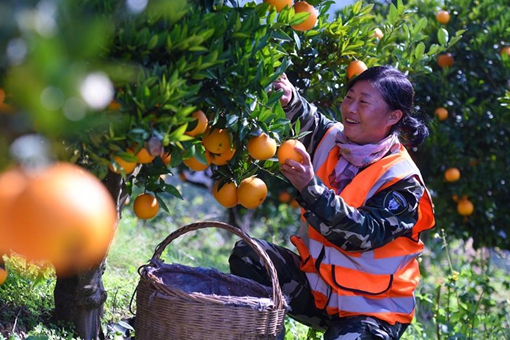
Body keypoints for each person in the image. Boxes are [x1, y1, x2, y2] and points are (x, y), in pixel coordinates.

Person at [229, 66, 436, 340]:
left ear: (393, 116)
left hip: (372, 308)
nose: (350, 108)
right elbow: (308, 119)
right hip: (319, 288)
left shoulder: (402, 180)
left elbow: (363, 234)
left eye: (363, 102)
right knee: (249, 256)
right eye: (349, 97)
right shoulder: (332, 138)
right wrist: (289, 97)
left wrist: (310, 189)